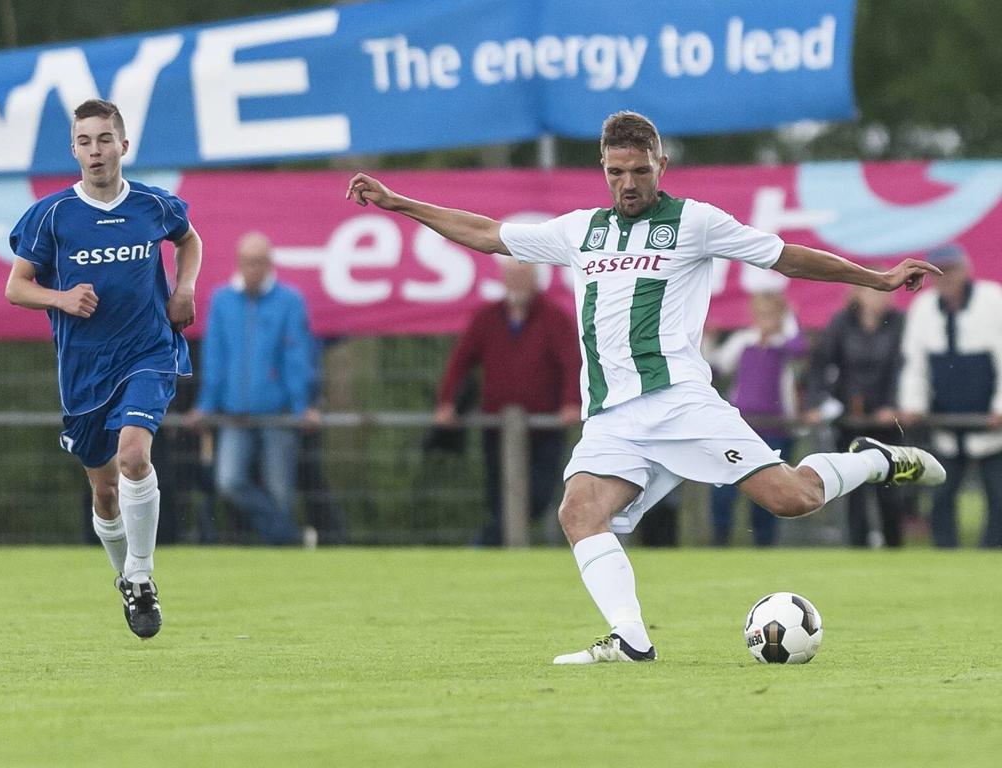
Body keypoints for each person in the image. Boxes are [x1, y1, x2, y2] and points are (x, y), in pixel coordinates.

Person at [346, 110, 946, 665]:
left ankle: (871, 461)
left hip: (680, 403)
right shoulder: (581, 231)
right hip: (611, 417)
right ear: (603, 171)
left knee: (793, 500)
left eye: (638, 170)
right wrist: (398, 202)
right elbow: (486, 233)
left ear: (661, 165)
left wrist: (877, 277)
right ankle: (631, 641)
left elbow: (785, 257)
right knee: (579, 511)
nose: (627, 183)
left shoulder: (696, 222)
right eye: (615, 172)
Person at [5, 98, 202, 639]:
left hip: (147, 353)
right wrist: (62, 298)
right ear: (74, 149)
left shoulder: (153, 205)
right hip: (85, 370)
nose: (95, 150)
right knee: (105, 492)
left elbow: (189, 239)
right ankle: (129, 581)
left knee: (134, 455)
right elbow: (16, 286)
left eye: (104, 139)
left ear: (123, 145)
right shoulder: (52, 215)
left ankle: (142, 573)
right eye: (85, 141)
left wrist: (184, 288)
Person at [435, 256, 582, 545]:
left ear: (535, 279)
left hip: (544, 429)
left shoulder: (555, 318)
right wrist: (446, 401)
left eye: (523, 276)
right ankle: (495, 547)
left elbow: (571, 363)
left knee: (538, 496)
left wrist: (571, 402)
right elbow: (461, 360)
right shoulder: (487, 317)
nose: (517, 283)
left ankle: (485, 544)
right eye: (512, 276)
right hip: (498, 427)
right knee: (498, 497)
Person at [187, 232, 320, 545]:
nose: (254, 269)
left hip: (279, 414)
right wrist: (207, 404)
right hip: (235, 415)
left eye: (259, 262)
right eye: (248, 262)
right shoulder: (222, 301)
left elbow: (297, 357)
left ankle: (281, 556)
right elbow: (215, 358)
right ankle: (292, 539)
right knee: (229, 482)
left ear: (270, 263)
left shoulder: (290, 301)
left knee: (279, 491)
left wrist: (302, 405)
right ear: (239, 262)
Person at [897, 243, 1002, 547]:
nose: (946, 278)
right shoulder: (923, 308)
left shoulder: (992, 300)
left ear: (966, 269)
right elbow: (914, 363)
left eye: (952, 270)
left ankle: (992, 553)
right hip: (945, 421)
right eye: (939, 272)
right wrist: (913, 405)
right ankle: (945, 550)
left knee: (998, 496)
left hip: (991, 425)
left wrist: (999, 406)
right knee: (941, 495)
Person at [805, 284, 910, 547]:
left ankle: (894, 549)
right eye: (876, 290)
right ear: (859, 294)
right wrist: (817, 403)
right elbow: (820, 366)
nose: (882, 297)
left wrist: (895, 405)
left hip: (888, 423)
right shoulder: (841, 324)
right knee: (855, 490)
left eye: (887, 291)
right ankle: (857, 547)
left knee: (891, 491)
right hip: (850, 422)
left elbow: (904, 367)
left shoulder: (901, 324)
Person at [708, 291, 808, 546]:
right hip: (742, 426)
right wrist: (708, 341)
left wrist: (790, 321)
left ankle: (764, 543)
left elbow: (800, 348)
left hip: (776, 427)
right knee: (726, 487)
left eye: (773, 314)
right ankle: (721, 539)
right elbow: (716, 367)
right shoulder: (743, 341)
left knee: (770, 489)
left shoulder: (785, 344)